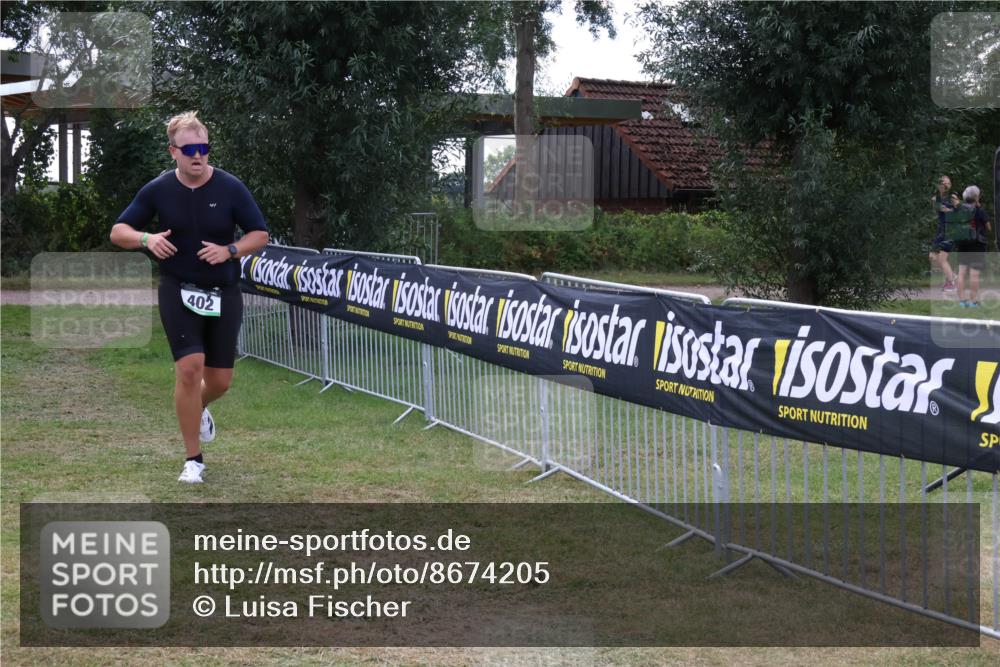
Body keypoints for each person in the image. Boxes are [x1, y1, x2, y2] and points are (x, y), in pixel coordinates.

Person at [110, 112, 269, 483]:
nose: (198, 156)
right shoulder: (159, 189)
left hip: (223, 291)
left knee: (220, 381)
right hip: (177, 288)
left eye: (204, 148)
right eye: (190, 149)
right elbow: (119, 231)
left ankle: (198, 409)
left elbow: (259, 234)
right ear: (173, 152)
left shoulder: (230, 188)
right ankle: (193, 460)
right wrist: (146, 239)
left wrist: (230, 250)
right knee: (188, 369)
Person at [950, 185, 992, 308]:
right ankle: (973, 302)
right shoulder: (980, 211)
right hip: (977, 245)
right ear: (976, 197)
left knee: (961, 273)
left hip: (963, 244)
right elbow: (988, 227)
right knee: (974, 275)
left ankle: (962, 302)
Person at [928, 175, 957, 291]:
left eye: (948, 183)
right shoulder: (935, 199)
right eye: (943, 183)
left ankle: (951, 284)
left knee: (942, 259)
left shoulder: (953, 197)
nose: (945, 185)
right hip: (941, 231)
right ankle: (952, 275)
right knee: (932, 257)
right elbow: (939, 208)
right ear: (938, 185)